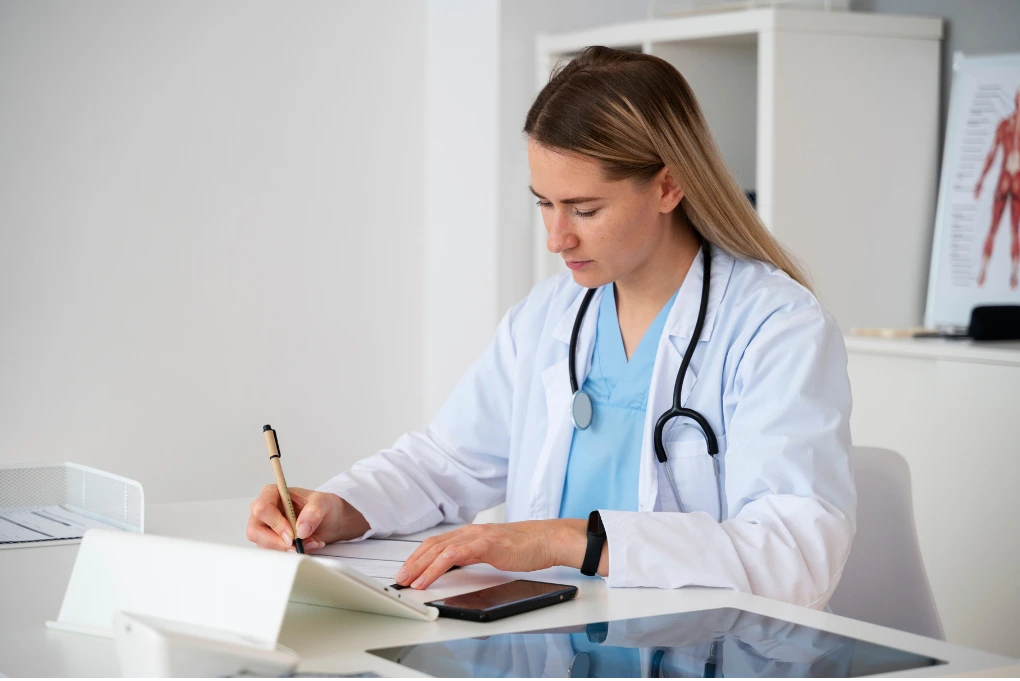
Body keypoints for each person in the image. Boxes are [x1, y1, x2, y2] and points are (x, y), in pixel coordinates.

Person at [246, 46, 856, 610]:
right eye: (544, 202)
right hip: (546, 641)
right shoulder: (551, 315)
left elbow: (795, 555)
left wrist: (568, 540)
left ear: (669, 185)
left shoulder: (776, 328)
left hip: (688, 649)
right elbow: (447, 460)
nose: (556, 237)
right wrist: (338, 506)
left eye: (585, 210)